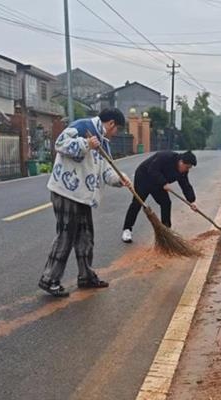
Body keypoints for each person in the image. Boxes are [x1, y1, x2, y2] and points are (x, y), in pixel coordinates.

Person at [39, 108, 131, 297]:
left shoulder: (104, 143)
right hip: (66, 191)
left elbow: (105, 172)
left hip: (83, 196)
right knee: (66, 236)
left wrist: (120, 179)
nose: (116, 134)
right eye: (117, 129)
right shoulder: (82, 127)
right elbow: (60, 144)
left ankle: (86, 276)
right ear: (112, 123)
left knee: (86, 237)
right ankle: (49, 279)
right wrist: (86, 143)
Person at [121, 150, 197, 243]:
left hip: (158, 184)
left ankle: (166, 230)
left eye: (189, 168)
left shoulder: (183, 172)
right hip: (144, 178)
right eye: (187, 167)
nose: (187, 170)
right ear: (181, 162)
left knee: (166, 203)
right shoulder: (166, 157)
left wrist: (191, 201)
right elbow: (152, 169)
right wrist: (164, 182)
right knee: (137, 203)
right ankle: (127, 229)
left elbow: (186, 185)